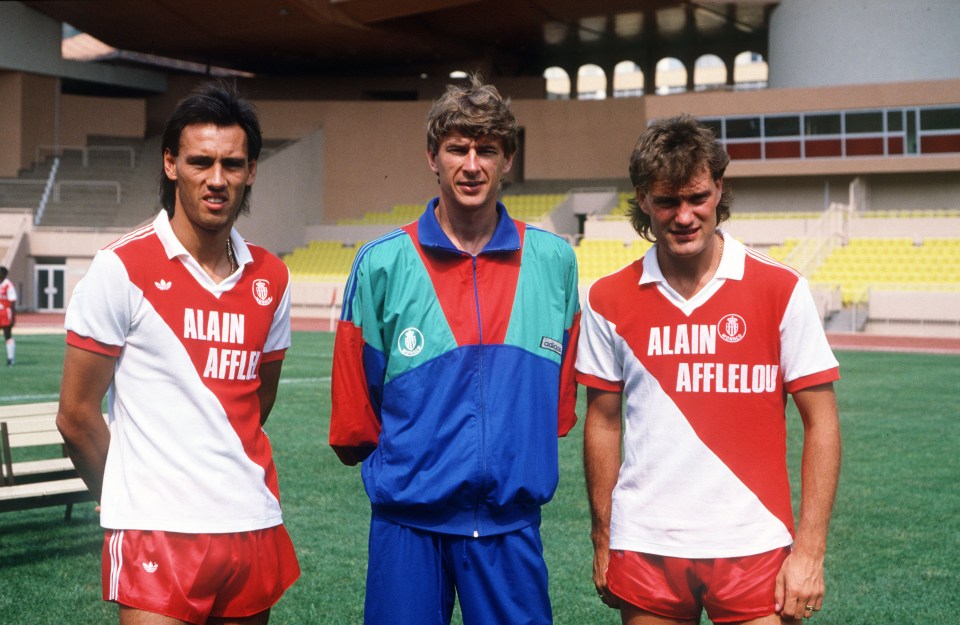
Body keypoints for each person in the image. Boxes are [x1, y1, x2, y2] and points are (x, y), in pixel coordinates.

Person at [329, 75, 581, 625]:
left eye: (487, 149)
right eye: (457, 149)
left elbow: (558, 411)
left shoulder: (554, 261)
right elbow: (354, 419)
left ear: (507, 159)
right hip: (407, 527)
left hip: (510, 528)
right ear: (432, 157)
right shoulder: (381, 263)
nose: (472, 165)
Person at [577, 114, 842, 625]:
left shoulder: (780, 289)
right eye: (667, 201)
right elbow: (604, 422)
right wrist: (604, 536)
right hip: (647, 541)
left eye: (697, 197)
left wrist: (810, 552)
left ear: (718, 188)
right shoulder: (606, 298)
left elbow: (822, 422)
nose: (684, 216)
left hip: (755, 539)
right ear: (643, 199)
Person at [56, 80, 299, 625]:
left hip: (249, 521)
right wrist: (124, 495)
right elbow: (75, 416)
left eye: (233, 164)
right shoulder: (122, 268)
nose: (217, 180)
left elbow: (257, 402)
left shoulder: (273, 277)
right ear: (171, 164)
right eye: (200, 162)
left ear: (251, 170)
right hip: (157, 532)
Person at [0, 265, 16, 366]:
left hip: (6, 313)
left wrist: (13, 318)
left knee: (7, 335)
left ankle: (10, 359)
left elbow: (13, 303)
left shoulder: (9, 285)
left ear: (4, 274)